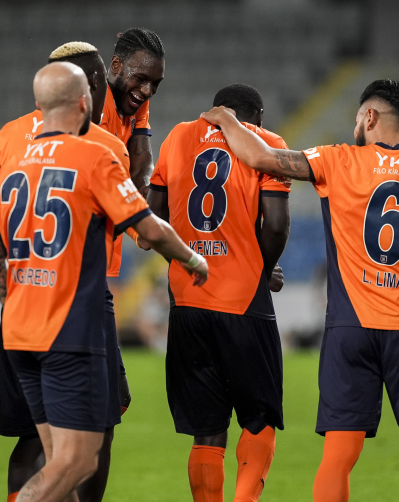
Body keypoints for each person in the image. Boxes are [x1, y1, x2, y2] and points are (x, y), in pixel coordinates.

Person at [201, 79, 399, 502]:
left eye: (358, 117)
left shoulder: (338, 160)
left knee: (339, 454)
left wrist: (225, 119)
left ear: (369, 117)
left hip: (350, 329)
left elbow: (260, 156)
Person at [0, 61, 208, 502]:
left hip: (19, 333)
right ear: (85, 103)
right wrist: (192, 258)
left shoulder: (10, 167)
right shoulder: (93, 156)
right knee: (79, 462)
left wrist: (19, 305)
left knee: (55, 459)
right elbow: (149, 228)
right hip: (69, 331)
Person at [0, 41, 137, 502]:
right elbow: (136, 225)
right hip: (79, 308)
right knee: (92, 437)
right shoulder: (105, 145)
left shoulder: (7, 137)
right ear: (90, 89)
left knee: (32, 439)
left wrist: (17, 298)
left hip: (20, 305)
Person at [148, 83, 290, 502]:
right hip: (242, 301)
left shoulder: (177, 137)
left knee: (207, 429)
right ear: (256, 117)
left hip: (187, 302)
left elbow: (153, 219)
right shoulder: (266, 141)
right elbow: (276, 225)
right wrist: (260, 270)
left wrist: (184, 262)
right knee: (259, 419)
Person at [101, 27, 164, 197]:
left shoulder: (137, 101)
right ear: (116, 65)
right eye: (140, 79)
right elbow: (99, 175)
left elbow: (141, 167)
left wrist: (147, 191)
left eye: (155, 83)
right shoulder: (96, 102)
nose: (147, 91)